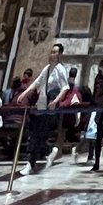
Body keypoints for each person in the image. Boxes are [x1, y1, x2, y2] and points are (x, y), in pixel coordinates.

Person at [20, 41, 70, 174]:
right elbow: (37, 82)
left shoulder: (60, 69)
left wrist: (55, 102)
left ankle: (30, 164)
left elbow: (65, 87)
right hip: (41, 106)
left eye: (55, 52)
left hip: (50, 108)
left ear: (59, 55)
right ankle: (49, 151)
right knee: (37, 135)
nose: (52, 54)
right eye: (51, 52)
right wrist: (24, 93)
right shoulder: (47, 68)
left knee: (37, 135)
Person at [85, 56, 103, 172]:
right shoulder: (100, 78)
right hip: (102, 109)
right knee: (98, 136)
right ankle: (96, 162)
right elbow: (98, 93)